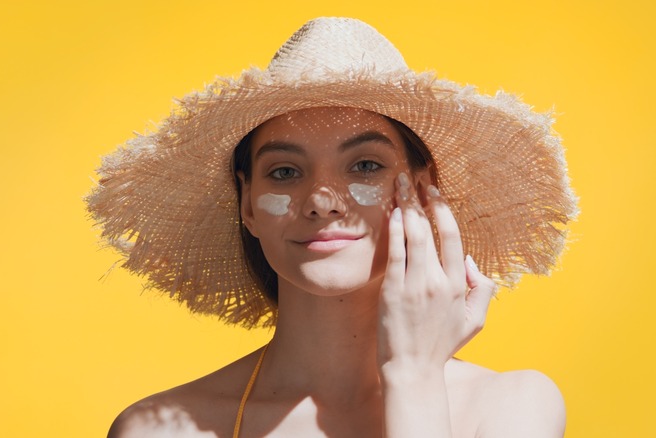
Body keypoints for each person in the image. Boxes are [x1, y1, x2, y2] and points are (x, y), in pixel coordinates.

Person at [88, 17, 577, 437]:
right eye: (284, 172)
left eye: (365, 166)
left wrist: (414, 377)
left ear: (424, 191)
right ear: (248, 204)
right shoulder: (162, 428)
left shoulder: (509, 408)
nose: (322, 202)